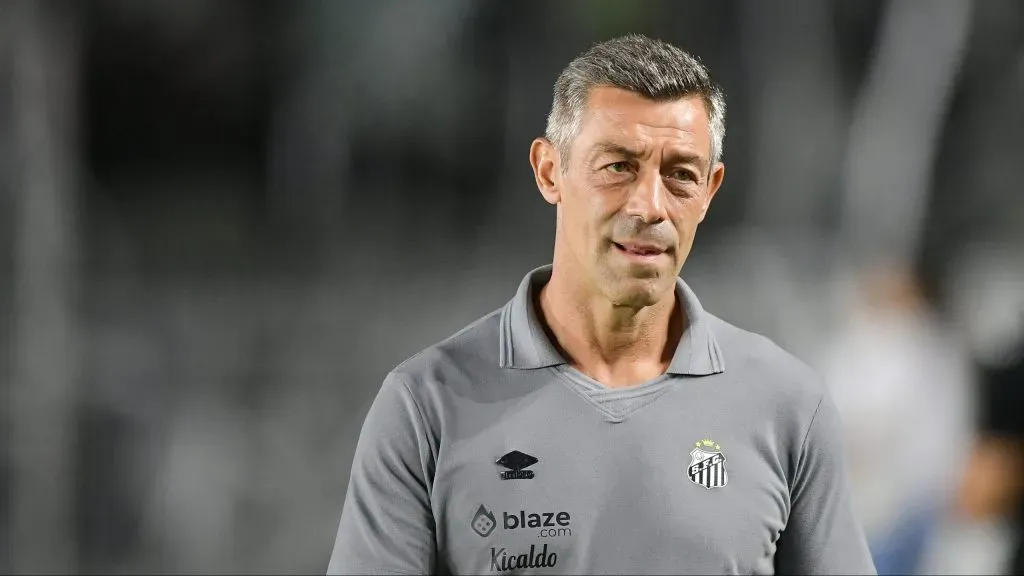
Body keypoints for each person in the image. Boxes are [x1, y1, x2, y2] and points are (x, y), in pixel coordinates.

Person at [328, 34, 875, 575]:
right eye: (618, 167)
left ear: (710, 191)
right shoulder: (425, 408)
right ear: (549, 171)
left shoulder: (789, 407)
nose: (649, 205)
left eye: (680, 175)